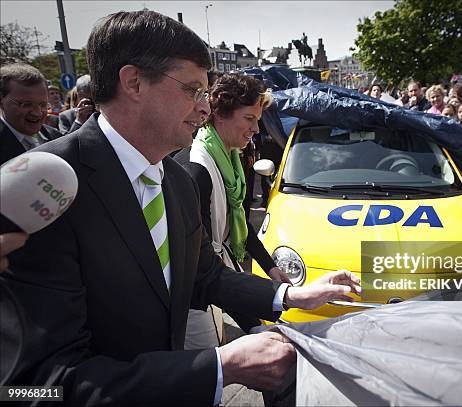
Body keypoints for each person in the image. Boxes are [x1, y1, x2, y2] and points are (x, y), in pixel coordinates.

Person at [0, 10, 360, 406]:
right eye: (192, 91)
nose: (205, 109)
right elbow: (38, 386)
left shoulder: (178, 181)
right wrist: (218, 369)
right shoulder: (48, 191)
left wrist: (289, 296)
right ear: (134, 82)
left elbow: (203, 274)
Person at [175, 74, 291, 349]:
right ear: (220, 114)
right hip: (193, 303)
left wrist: (271, 268)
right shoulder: (197, 169)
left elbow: (235, 220)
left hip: (214, 288)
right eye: (249, 118)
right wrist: (253, 322)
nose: (256, 128)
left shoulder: (229, 159)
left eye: (258, 119)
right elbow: (204, 268)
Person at [0, 63, 62, 165]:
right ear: (1, 101)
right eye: (26, 104)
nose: (37, 113)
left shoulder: (57, 138)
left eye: (43, 105)